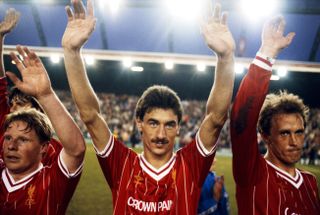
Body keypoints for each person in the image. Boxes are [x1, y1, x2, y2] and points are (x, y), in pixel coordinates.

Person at [62, 0, 234, 213]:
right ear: (139, 124)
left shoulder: (190, 166)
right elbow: (90, 115)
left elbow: (216, 118)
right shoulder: (122, 165)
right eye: (153, 123)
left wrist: (225, 58)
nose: (161, 134)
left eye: (169, 125)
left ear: (179, 127)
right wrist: (71, 52)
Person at [230, 16, 320, 214]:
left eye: (299, 132)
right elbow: (241, 122)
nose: (295, 141)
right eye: (285, 133)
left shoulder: (310, 182)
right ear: (266, 136)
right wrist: (267, 54)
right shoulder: (253, 173)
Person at [0, 46, 86, 214]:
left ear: (44, 148)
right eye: (8, 138)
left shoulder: (49, 181)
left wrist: (46, 95)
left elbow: (76, 150)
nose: (11, 145)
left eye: (23, 139)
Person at [0, 8, 62, 166]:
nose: (13, 108)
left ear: (38, 110)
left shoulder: (53, 150)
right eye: (12, 103)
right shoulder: (4, 123)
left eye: (20, 104)